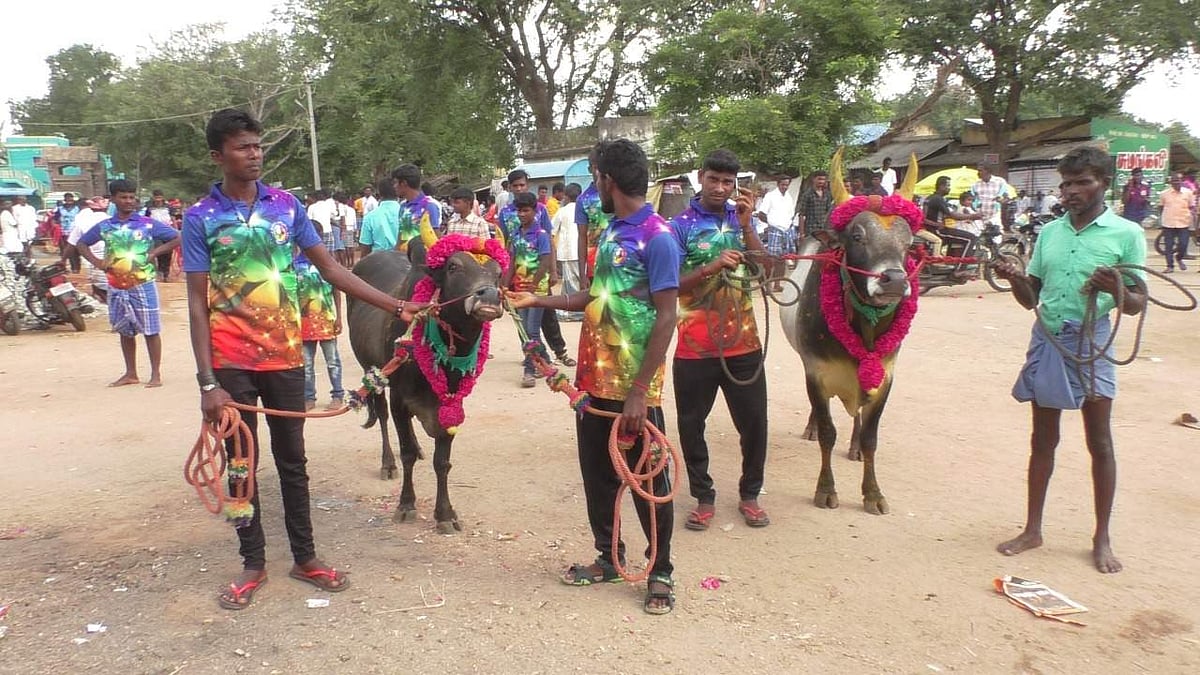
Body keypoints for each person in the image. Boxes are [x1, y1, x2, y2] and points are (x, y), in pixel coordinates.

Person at [182, 108, 422, 611]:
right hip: (230, 363)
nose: (254, 154)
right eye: (243, 146)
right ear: (217, 155)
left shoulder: (286, 207)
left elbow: (333, 268)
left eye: (257, 144)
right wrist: (208, 383)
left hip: (286, 357)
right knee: (239, 464)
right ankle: (252, 563)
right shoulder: (201, 218)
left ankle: (305, 557)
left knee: (294, 462)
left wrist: (396, 304)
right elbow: (198, 306)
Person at [507, 138, 681, 615]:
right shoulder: (610, 231)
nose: (591, 189)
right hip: (592, 384)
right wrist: (537, 301)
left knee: (649, 481)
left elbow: (667, 316)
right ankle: (609, 557)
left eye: (595, 179)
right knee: (599, 477)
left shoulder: (658, 236)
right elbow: (593, 297)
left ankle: (660, 570)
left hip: (634, 391)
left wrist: (640, 392)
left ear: (608, 180)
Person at [992, 145, 1146, 574]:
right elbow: (1032, 300)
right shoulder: (1051, 234)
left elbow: (1135, 304)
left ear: (1104, 184)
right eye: (1066, 184)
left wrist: (1115, 289)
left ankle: (1101, 538)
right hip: (1050, 339)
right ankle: (1033, 530)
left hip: (1092, 342)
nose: (1071, 191)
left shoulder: (1125, 234)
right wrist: (1017, 279)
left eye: (1083, 182)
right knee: (1043, 440)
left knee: (1099, 442)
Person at [669, 149, 770, 531]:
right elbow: (671, 284)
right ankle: (704, 496)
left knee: (755, 424)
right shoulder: (678, 226)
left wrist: (746, 226)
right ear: (701, 177)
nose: (721, 188)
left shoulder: (740, 218)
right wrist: (712, 266)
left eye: (728, 182)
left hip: (744, 343)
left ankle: (750, 494)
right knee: (692, 424)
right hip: (694, 346)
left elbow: (765, 269)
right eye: (714, 179)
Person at [77, 180, 180, 387]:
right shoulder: (105, 226)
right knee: (125, 331)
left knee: (151, 330)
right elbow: (81, 243)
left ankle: (155, 374)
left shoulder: (146, 223)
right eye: (123, 197)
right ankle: (131, 373)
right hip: (116, 286)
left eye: (132, 197)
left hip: (143, 284)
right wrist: (97, 262)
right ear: (113, 199)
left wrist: (154, 254)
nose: (128, 201)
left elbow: (177, 238)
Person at [501, 169, 575, 367]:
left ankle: (554, 354)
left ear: (527, 184)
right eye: (515, 186)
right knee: (525, 326)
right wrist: (504, 283)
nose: (518, 188)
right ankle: (536, 358)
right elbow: (508, 248)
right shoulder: (506, 214)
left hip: (538, 280)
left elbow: (547, 244)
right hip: (518, 280)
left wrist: (552, 271)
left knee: (546, 317)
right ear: (509, 188)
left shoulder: (541, 210)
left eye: (522, 184)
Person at [502, 192, 553, 387]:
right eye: (519, 211)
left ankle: (529, 370)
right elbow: (512, 262)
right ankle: (545, 358)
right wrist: (505, 284)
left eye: (526, 211)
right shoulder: (515, 235)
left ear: (535, 211)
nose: (522, 214)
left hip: (536, 291)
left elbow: (545, 261)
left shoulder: (541, 235)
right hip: (518, 289)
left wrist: (535, 283)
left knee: (531, 330)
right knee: (524, 330)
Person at [295, 251, 344, 410]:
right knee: (307, 364)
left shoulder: (326, 264)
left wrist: (339, 317)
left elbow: (336, 291)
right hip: (304, 324)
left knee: (332, 362)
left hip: (326, 321)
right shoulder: (295, 266)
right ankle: (309, 397)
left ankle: (338, 395)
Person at [922, 178, 984, 273]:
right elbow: (952, 215)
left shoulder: (930, 198)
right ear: (941, 186)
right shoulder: (938, 199)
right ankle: (960, 270)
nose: (949, 188)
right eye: (948, 186)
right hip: (939, 230)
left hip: (933, 229)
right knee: (971, 238)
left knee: (959, 236)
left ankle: (950, 264)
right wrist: (973, 216)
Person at [576, 150, 611, 290]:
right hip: (595, 262)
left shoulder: (617, 192)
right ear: (589, 169)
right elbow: (582, 236)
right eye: (594, 167)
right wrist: (582, 273)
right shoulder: (583, 200)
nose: (597, 172)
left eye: (601, 168)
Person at [69, 196, 114, 303]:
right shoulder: (112, 220)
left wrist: (63, 259)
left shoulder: (82, 221)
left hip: (91, 259)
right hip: (112, 259)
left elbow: (71, 243)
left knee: (99, 287)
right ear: (105, 208)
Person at [755, 176, 794, 291]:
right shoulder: (770, 196)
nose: (785, 187)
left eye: (787, 185)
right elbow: (761, 214)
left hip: (786, 230)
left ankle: (777, 284)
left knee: (782, 259)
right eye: (783, 184)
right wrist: (772, 223)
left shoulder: (788, 197)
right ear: (778, 184)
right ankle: (768, 285)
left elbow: (790, 214)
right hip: (774, 230)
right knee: (772, 259)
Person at [392, 164, 442, 253]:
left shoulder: (429, 206)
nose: (394, 186)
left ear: (404, 183)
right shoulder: (403, 206)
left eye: (395, 182)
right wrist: (394, 254)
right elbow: (403, 235)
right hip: (405, 259)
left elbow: (435, 237)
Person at [552, 182, 583, 321]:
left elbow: (552, 230)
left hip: (568, 251)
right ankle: (567, 310)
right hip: (582, 251)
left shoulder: (562, 211)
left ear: (566, 196)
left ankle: (575, 312)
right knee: (577, 280)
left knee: (570, 281)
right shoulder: (583, 209)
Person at [1159, 171, 1195, 272]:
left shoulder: (1188, 193)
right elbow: (1161, 207)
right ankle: (1170, 266)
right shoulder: (1164, 194)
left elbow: (1191, 207)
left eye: (1178, 181)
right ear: (1171, 183)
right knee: (1168, 246)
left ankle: (1179, 258)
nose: (1176, 183)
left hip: (1183, 223)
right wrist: (1163, 218)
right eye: (1174, 181)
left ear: (1181, 181)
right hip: (1168, 223)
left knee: (1183, 245)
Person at [357, 178, 401, 256]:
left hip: (378, 263)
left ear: (379, 193)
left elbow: (365, 248)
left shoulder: (370, 217)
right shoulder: (406, 213)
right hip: (404, 262)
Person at [796, 170, 833, 240]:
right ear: (813, 179)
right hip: (810, 230)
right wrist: (801, 233)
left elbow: (829, 213)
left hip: (823, 230)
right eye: (819, 179)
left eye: (823, 179)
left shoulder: (827, 194)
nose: (821, 181)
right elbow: (801, 215)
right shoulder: (807, 194)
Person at [972, 164, 1011, 228]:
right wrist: (975, 206)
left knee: (996, 235)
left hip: (994, 216)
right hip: (979, 217)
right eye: (978, 171)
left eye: (980, 170)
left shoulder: (1000, 181)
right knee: (979, 236)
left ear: (988, 171)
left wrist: (1002, 201)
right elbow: (973, 199)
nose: (978, 173)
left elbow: (1007, 198)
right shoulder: (976, 184)